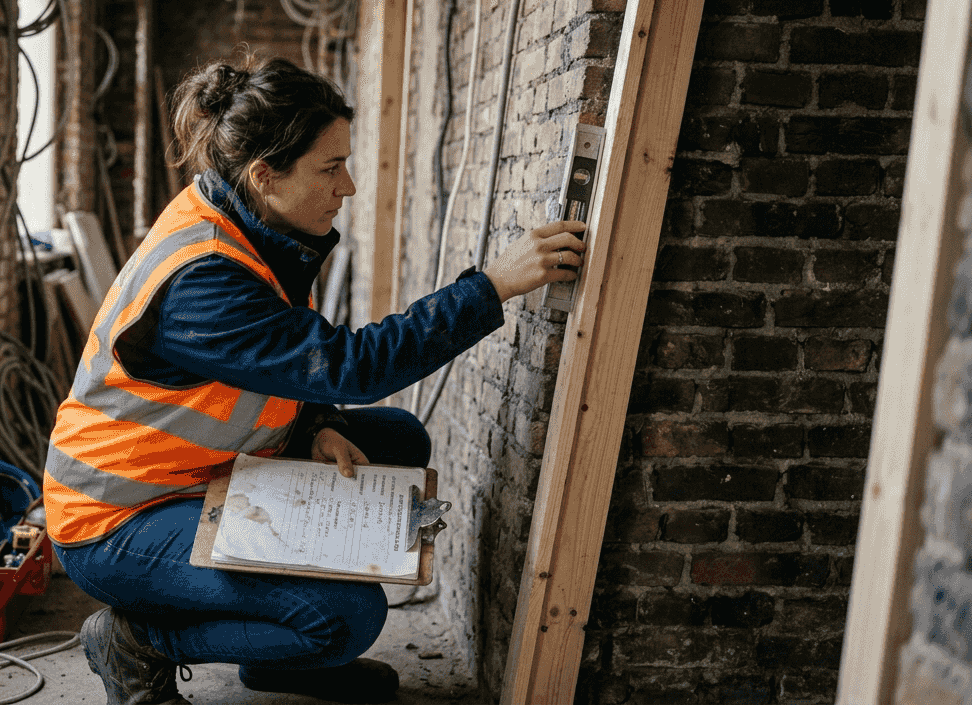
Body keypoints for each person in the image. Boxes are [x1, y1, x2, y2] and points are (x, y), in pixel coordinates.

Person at [43, 56, 585, 705]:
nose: (349, 186)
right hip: (119, 517)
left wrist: (316, 423)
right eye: (331, 168)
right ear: (265, 174)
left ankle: (279, 660)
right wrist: (492, 286)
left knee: (397, 445)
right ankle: (140, 639)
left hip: (196, 473)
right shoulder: (205, 279)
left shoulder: (246, 219)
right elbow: (350, 364)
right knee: (345, 616)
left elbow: (279, 360)